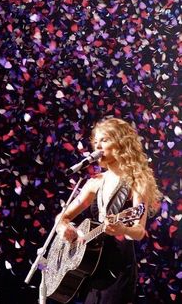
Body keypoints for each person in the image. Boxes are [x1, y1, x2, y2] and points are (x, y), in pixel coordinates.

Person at [56, 117, 161, 304]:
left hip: (118, 266)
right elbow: (63, 217)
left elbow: (139, 231)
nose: (98, 146)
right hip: (89, 266)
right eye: (96, 142)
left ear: (121, 143)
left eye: (104, 140)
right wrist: (64, 227)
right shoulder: (95, 181)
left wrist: (124, 229)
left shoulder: (136, 181)